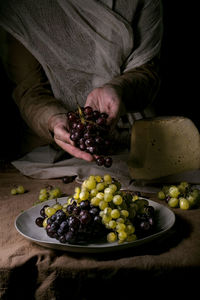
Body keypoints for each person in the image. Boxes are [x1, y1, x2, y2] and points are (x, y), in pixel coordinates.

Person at [0, 0, 163, 162]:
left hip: (136, 140)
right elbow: (30, 90)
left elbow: (146, 71)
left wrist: (118, 88)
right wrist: (53, 119)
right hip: (48, 149)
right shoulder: (23, 6)